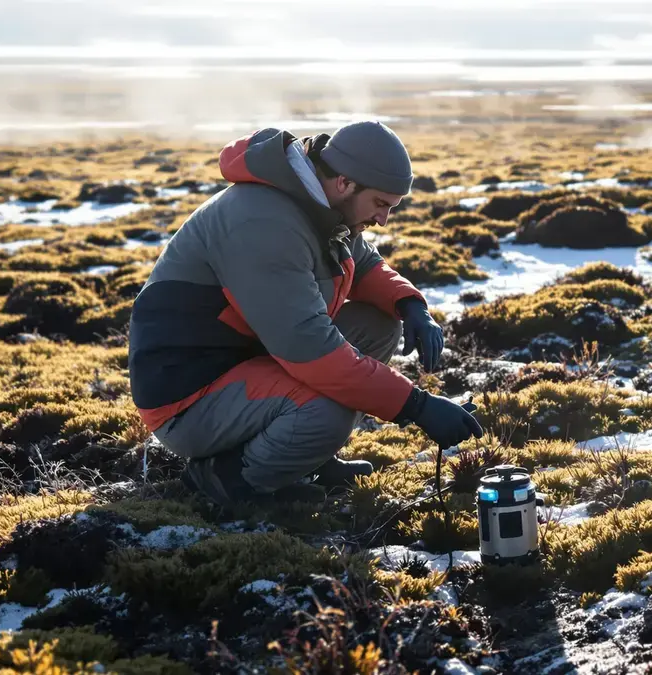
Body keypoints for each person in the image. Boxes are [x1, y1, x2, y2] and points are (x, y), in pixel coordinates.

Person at [127, 121, 484, 507]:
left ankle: (305, 457)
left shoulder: (318, 202)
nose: (383, 220)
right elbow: (312, 350)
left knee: (378, 324)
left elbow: (361, 263)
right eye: (381, 204)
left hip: (245, 362)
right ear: (345, 182)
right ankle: (229, 479)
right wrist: (417, 406)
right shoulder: (263, 223)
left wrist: (409, 305)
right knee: (326, 412)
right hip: (188, 398)